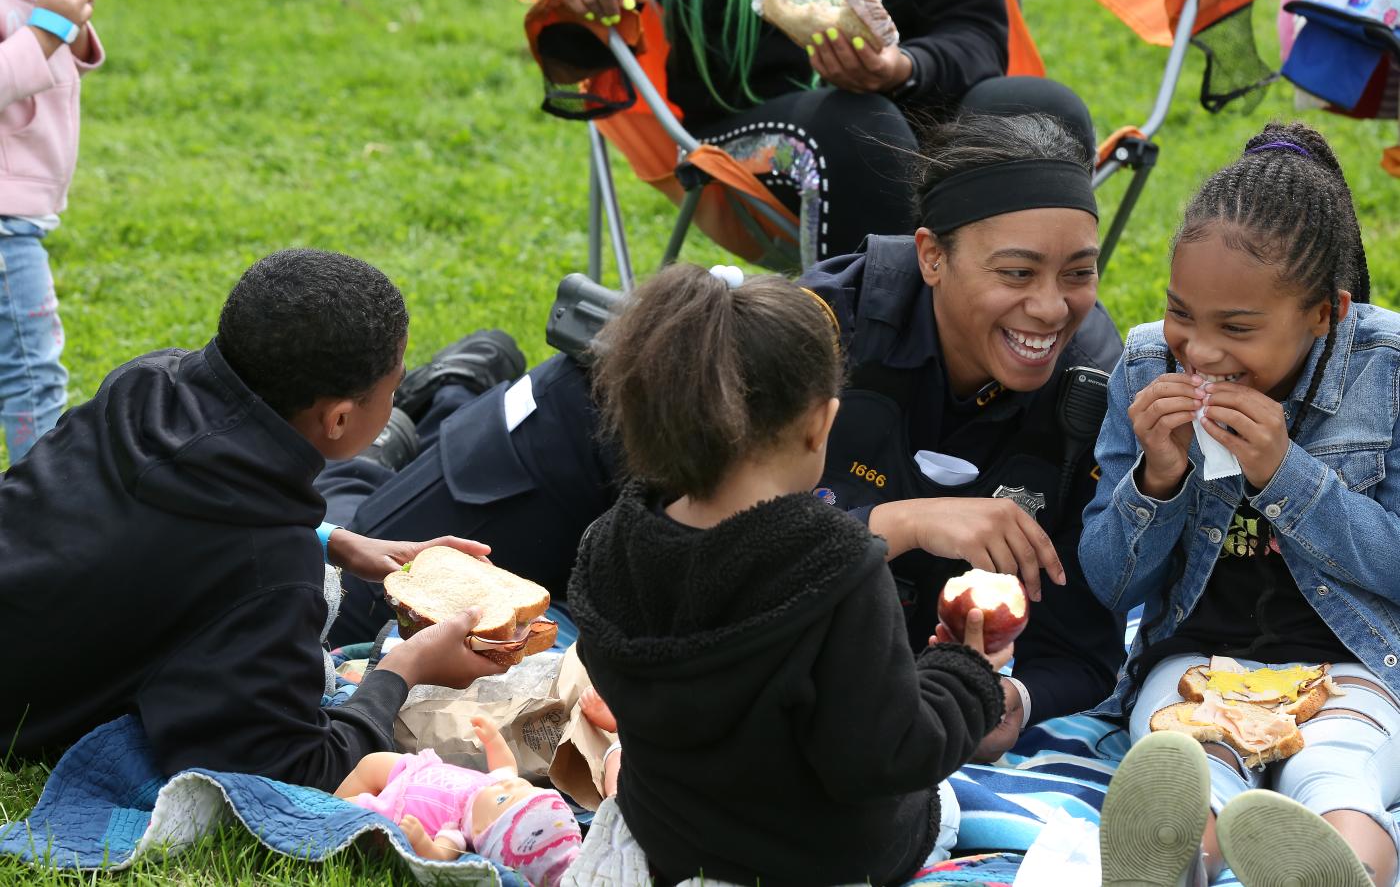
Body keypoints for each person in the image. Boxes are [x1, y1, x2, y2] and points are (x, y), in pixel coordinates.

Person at [318, 113, 1126, 764]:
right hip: (581, 449)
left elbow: (1087, 648)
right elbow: (703, 533)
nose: (1051, 308)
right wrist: (906, 522)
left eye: (1079, 273)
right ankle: (424, 420)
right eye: (1016, 273)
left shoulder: (1089, 394)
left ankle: (450, 393)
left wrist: (1012, 702)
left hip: (642, 571)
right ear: (931, 256)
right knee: (345, 606)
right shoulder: (819, 331)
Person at [0, 250, 511, 789]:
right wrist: (404, 670)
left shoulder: (145, 382)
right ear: (339, 418)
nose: (389, 397)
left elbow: (159, 528)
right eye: (392, 389)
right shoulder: (266, 567)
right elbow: (297, 766)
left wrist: (330, 538)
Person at [567, 262, 1006, 885]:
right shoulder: (836, 567)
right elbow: (886, 756)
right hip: (815, 860)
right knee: (946, 809)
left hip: (671, 838)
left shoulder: (612, 541)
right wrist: (967, 676)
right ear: (820, 422)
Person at [1081, 122, 1399, 887]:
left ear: (1326, 313)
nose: (1201, 352)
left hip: (1352, 659)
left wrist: (1286, 474)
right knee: (1190, 760)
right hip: (1198, 657)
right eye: (1183, 313)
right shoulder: (1146, 363)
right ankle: (1175, 863)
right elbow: (1108, 586)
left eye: (1238, 328)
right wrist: (1156, 481)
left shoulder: (1385, 370)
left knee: (1336, 769)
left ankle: (1348, 868)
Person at [551, 0, 1090, 262]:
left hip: (928, 122)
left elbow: (976, 36)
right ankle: (875, 390)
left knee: (1042, 111)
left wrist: (900, 68)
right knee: (857, 125)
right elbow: (575, 56)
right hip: (752, 155)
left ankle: (1046, 382)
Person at [0, 0, 101, 463]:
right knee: (29, 373)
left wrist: (72, 25)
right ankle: (37, 513)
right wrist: (49, 24)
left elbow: (51, 63)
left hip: (17, 219)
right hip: (3, 229)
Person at [336, 716, 582, 885]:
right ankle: (333, 793)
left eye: (505, 798)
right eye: (525, 787)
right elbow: (506, 766)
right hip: (414, 772)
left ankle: (325, 803)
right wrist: (494, 741)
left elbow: (439, 857)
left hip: (395, 806)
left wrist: (421, 840)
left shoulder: (457, 832)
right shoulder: (496, 784)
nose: (511, 784)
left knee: (352, 807)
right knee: (371, 763)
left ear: (481, 831)